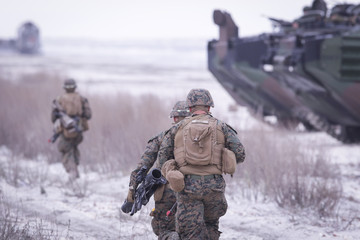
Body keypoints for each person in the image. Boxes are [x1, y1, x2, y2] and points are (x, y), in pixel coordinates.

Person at [157, 89, 246, 240]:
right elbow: (240, 153)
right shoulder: (222, 126)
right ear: (209, 107)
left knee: (189, 233)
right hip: (214, 187)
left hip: (187, 188)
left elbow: (162, 159)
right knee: (211, 227)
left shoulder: (176, 128)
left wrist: (173, 167)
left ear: (189, 108)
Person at [126, 101, 190, 240]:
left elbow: (142, 168)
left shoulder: (161, 137)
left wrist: (131, 193)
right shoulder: (202, 139)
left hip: (167, 191)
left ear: (174, 118)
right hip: (195, 189)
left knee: (164, 229)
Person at [51, 78, 92, 180]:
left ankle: (72, 172)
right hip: (78, 131)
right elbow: (88, 115)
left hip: (65, 131)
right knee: (74, 149)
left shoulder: (59, 100)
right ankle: (75, 171)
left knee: (66, 150)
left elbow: (53, 118)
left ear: (64, 87)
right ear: (75, 87)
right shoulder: (82, 99)